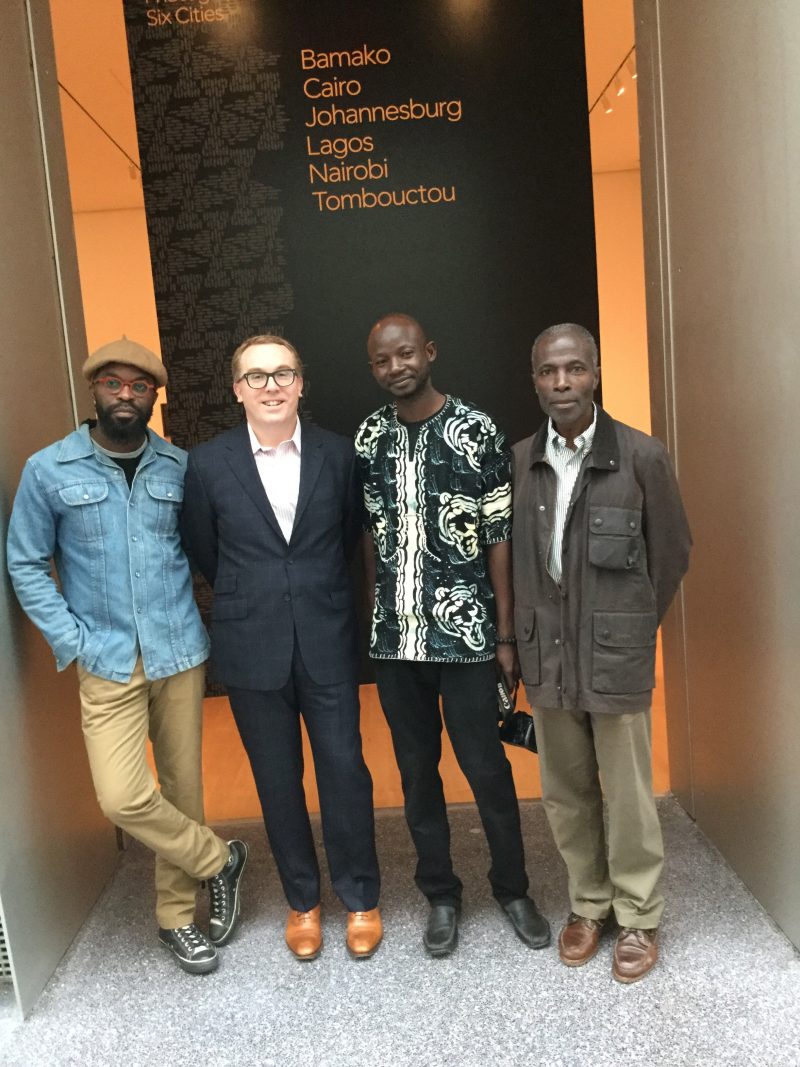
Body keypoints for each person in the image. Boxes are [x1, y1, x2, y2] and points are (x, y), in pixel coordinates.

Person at [6, 337, 247, 976]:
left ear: (154, 397)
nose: (124, 395)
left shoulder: (178, 467)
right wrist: (72, 638)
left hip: (178, 651)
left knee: (183, 788)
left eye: (138, 386)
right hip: (105, 656)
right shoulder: (49, 469)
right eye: (112, 383)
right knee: (121, 797)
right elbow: (26, 562)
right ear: (94, 392)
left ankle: (177, 919)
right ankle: (218, 860)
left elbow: (204, 550)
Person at [180, 334, 382, 961]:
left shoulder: (338, 455)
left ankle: (361, 897)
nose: (271, 385)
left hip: (326, 636)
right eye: (257, 376)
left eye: (283, 373)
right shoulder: (207, 465)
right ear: (237, 389)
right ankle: (303, 902)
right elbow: (205, 551)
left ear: (301, 384)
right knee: (276, 779)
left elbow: (350, 534)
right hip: (251, 643)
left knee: (345, 772)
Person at [355, 312, 549, 957]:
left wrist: (504, 637)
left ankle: (513, 888)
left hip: (466, 640)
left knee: (487, 770)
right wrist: (375, 612)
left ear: (429, 353)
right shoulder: (369, 438)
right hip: (395, 642)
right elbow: (368, 536)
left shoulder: (476, 429)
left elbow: (499, 536)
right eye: (382, 361)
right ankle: (441, 893)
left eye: (405, 355)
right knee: (416, 774)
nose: (395, 368)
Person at [512, 322, 691, 983]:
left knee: (629, 793)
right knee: (565, 792)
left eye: (575, 369)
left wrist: (631, 627)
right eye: (549, 371)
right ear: (535, 380)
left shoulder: (642, 456)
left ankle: (639, 914)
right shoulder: (521, 457)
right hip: (548, 659)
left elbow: (672, 553)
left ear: (594, 373)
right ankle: (589, 904)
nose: (562, 382)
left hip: (616, 658)